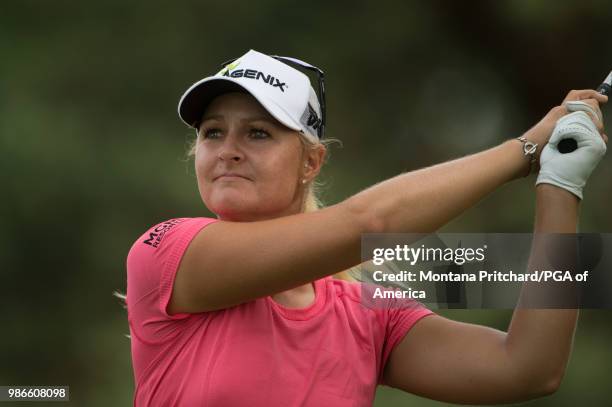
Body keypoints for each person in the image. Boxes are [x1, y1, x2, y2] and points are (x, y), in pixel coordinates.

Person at [124, 49, 608, 406]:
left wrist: (560, 184)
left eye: (257, 133)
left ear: (311, 163)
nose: (228, 148)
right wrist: (523, 150)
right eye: (213, 132)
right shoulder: (167, 253)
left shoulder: (368, 315)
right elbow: (373, 223)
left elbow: (528, 368)